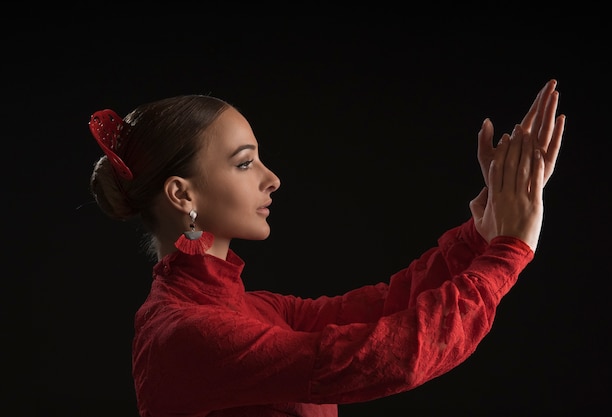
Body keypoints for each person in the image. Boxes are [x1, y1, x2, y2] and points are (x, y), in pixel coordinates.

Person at [87, 79, 565, 417]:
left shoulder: (248, 309)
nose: (271, 180)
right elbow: (381, 357)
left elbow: (383, 306)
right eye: (244, 163)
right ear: (182, 194)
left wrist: (478, 237)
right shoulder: (186, 333)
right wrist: (506, 253)